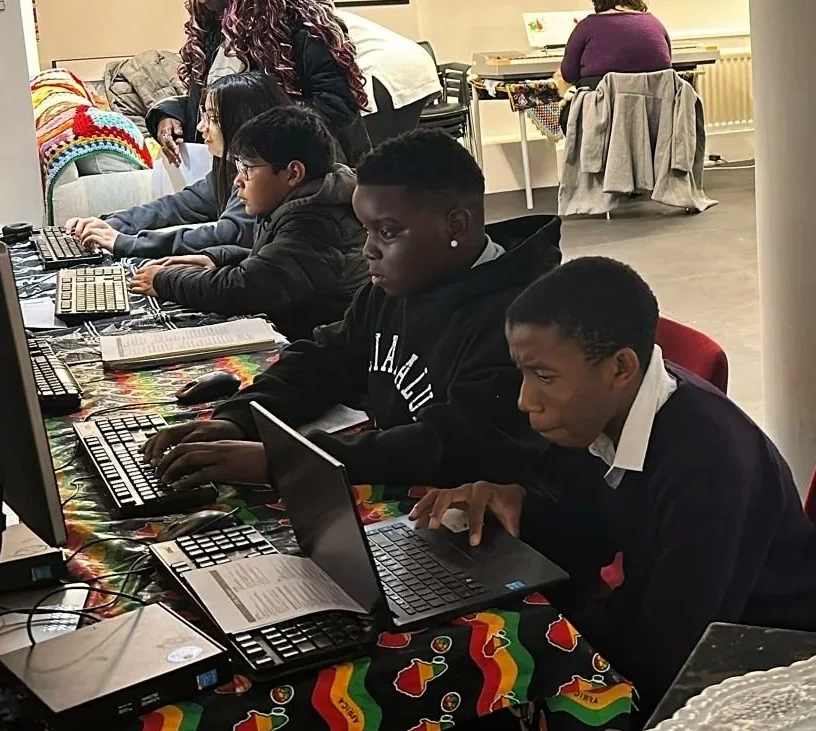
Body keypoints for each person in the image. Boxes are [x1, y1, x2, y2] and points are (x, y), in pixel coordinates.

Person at [413, 257, 816, 715]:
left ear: (620, 368)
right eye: (522, 373)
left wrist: (539, 646)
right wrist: (513, 506)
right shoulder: (600, 415)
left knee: (494, 680)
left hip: (768, 667)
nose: (524, 399)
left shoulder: (708, 463)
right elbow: (586, 526)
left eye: (544, 376)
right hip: (671, 627)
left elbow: (668, 654)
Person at [142, 128, 561, 489]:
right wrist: (241, 418)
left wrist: (287, 460)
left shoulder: (521, 323)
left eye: (388, 232)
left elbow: (454, 445)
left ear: (456, 225)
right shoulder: (396, 286)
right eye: (367, 230)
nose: (369, 250)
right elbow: (326, 358)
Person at [129, 106, 367, 343]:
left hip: (319, 349)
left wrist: (164, 280)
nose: (237, 180)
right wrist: (218, 258)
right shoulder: (303, 202)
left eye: (247, 169)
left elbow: (244, 288)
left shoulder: (316, 222)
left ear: (293, 173)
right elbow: (273, 265)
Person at [148, 0, 370, 167]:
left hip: (299, 171)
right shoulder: (212, 24)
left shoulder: (302, 25)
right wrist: (170, 115)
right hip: (240, 172)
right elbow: (214, 99)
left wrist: (251, 117)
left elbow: (337, 106)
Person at [66, 72, 290, 259]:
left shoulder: (264, 175)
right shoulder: (233, 166)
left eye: (213, 118)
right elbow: (180, 205)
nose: (201, 128)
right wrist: (113, 223)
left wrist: (126, 243)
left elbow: (226, 235)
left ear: (243, 121)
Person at [336, 10, 441, 146]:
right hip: (414, 63)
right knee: (398, 148)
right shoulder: (320, 12)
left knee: (376, 151)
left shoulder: (311, 20)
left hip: (390, 69)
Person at [557, 0, 673, 91]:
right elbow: (667, 64)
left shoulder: (587, 26)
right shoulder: (655, 24)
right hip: (655, 105)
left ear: (598, 1)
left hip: (601, 104)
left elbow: (569, 74)